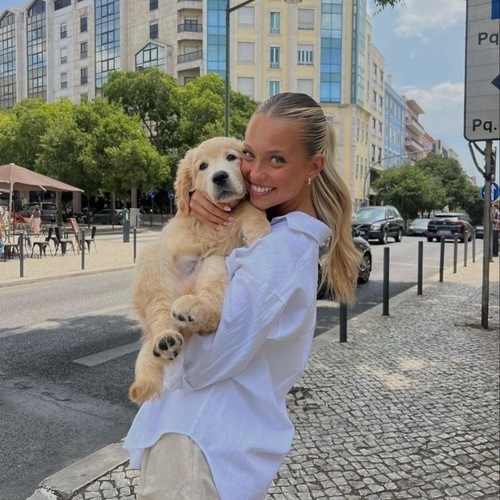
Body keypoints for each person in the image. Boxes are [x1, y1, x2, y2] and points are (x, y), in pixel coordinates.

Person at [124, 92, 360, 499]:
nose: (255, 172)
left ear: (313, 167)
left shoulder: (279, 251)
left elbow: (202, 364)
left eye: (277, 159)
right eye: (249, 154)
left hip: (200, 444)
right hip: (202, 442)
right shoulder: (269, 231)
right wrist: (194, 207)